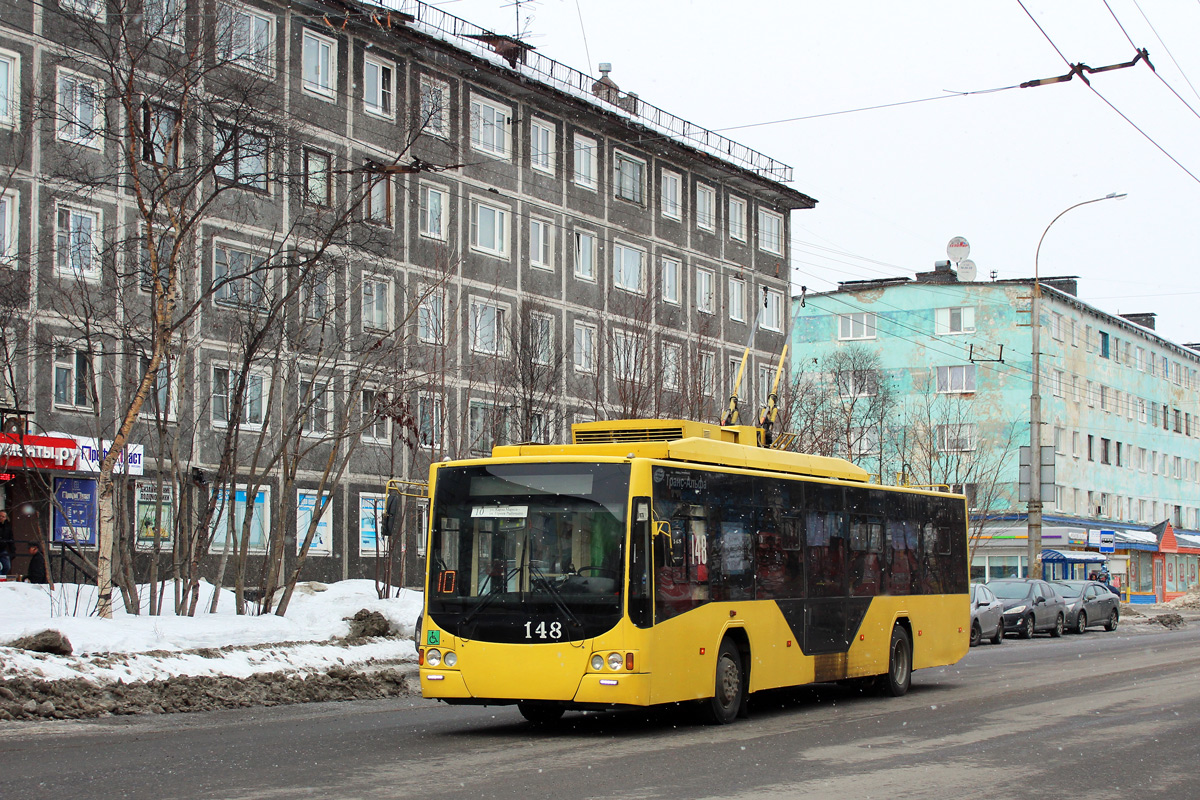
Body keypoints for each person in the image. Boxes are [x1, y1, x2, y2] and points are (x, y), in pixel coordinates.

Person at [0, 509, 12, 576]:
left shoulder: (7, 527)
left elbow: (11, 538)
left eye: (3, 516)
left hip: (3, 549)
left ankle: (2, 578)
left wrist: (12, 550)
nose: (1, 518)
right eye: (0, 516)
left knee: (6, 566)